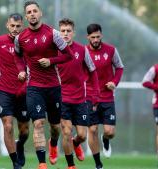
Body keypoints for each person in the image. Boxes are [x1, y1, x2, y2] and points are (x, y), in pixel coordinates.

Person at [14, 1, 74, 169]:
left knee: (55, 127)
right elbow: (17, 56)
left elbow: (68, 55)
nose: (32, 14)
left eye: (35, 11)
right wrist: (21, 70)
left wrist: (51, 61)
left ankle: (53, 144)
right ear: (26, 16)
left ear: (40, 13)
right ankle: (42, 163)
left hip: (54, 87)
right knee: (38, 124)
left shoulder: (53, 34)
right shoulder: (21, 38)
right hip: (34, 87)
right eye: (29, 12)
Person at [0, 13, 30, 169]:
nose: (15, 29)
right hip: (4, 90)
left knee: (24, 130)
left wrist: (27, 83)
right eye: (13, 26)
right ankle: (15, 162)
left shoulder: (28, 42)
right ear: (7, 25)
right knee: (8, 125)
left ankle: (21, 145)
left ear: (22, 26)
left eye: (18, 26)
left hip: (23, 91)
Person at [57, 18, 99, 169]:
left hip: (80, 99)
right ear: (59, 32)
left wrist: (96, 94)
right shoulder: (54, 50)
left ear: (73, 33)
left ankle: (76, 144)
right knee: (66, 132)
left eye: (68, 31)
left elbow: (93, 71)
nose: (66, 34)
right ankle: (71, 165)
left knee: (81, 135)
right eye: (63, 31)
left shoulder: (82, 50)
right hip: (62, 98)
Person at [85, 23, 124, 169]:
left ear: (101, 35)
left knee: (110, 132)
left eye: (98, 36)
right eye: (93, 37)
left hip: (107, 97)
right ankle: (98, 164)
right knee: (92, 129)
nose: (96, 40)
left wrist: (114, 82)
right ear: (88, 37)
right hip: (90, 97)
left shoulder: (111, 50)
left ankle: (105, 140)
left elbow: (119, 67)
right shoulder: (83, 52)